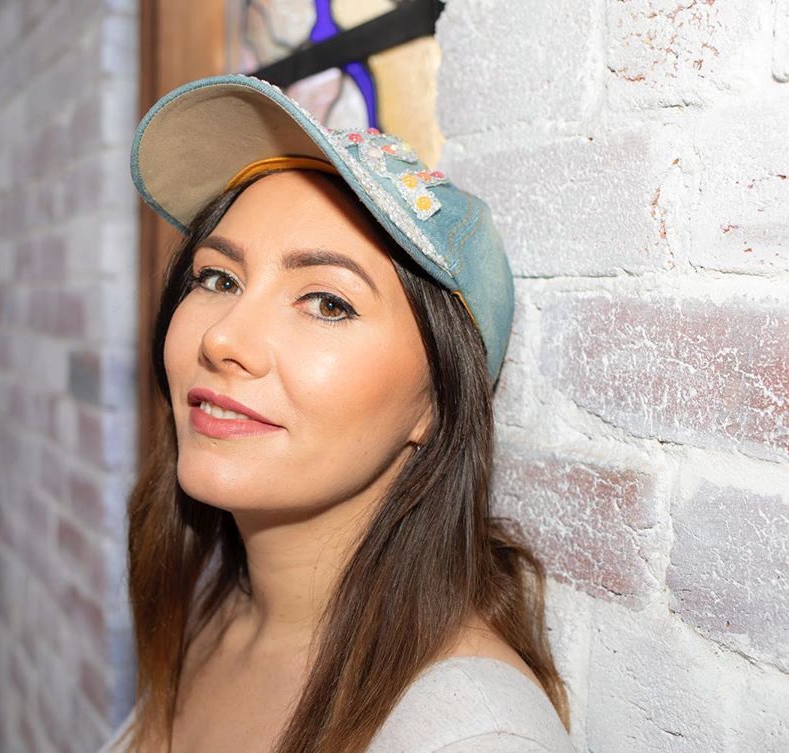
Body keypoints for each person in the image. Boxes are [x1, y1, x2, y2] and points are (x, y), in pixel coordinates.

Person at [98, 73, 573, 753]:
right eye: (218, 278)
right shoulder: (213, 618)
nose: (223, 337)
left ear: (437, 403)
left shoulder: (472, 735)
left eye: (328, 302)